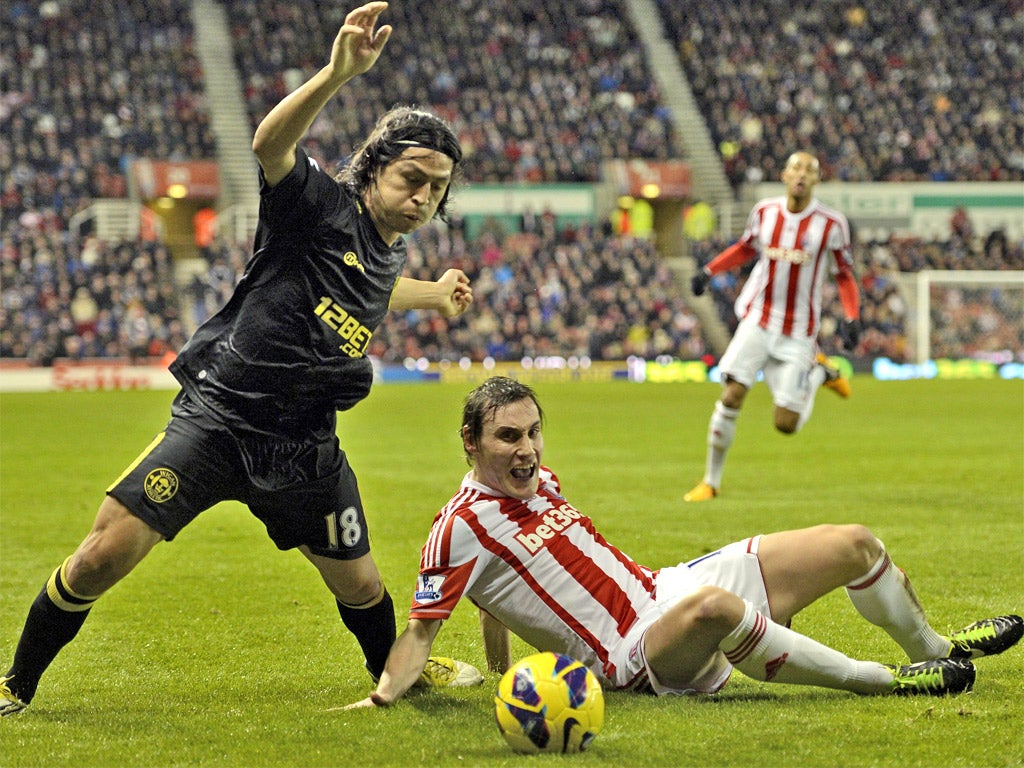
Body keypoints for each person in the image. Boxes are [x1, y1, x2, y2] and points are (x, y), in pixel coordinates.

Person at [0, 2, 483, 717]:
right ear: (375, 168)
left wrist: (437, 295)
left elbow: (378, 291)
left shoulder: (385, 254)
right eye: (413, 177)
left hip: (306, 448)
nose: (423, 196)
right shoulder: (316, 207)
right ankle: (14, 685)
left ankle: (400, 672)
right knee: (103, 554)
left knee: (361, 586)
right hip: (219, 421)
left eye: (437, 188)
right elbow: (269, 144)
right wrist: (336, 73)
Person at [345, 377, 1022, 708]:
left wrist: (499, 668)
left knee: (853, 542)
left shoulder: (540, 480)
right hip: (629, 654)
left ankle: (937, 650)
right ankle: (886, 683)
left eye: (532, 433)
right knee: (717, 613)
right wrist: (379, 698)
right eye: (507, 438)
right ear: (471, 443)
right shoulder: (457, 527)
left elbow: (493, 597)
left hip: (664, 586)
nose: (526, 451)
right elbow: (421, 634)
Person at [685, 151, 862, 502]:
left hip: (799, 332)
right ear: (784, 175)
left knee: (786, 425)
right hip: (758, 319)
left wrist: (852, 316)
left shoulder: (831, 224)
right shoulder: (765, 212)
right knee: (732, 392)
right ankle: (710, 482)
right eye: (795, 167)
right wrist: (708, 271)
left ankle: (818, 374)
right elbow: (744, 248)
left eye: (809, 170)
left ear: (816, 180)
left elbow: (844, 274)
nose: (801, 175)